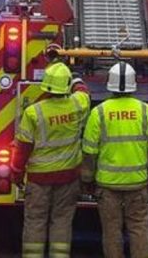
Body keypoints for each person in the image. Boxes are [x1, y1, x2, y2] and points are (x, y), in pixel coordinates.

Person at [81, 62, 148, 258]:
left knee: (111, 231)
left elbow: (89, 151)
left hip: (107, 186)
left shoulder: (98, 112)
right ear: (134, 84)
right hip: (138, 183)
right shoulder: (145, 111)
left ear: (110, 83)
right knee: (139, 228)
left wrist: (87, 180)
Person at [10, 62, 90, 258]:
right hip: (68, 177)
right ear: (66, 85)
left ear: (45, 85)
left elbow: (23, 148)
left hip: (38, 179)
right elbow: (83, 91)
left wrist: (17, 173)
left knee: (35, 221)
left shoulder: (33, 112)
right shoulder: (78, 104)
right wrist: (77, 78)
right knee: (62, 221)